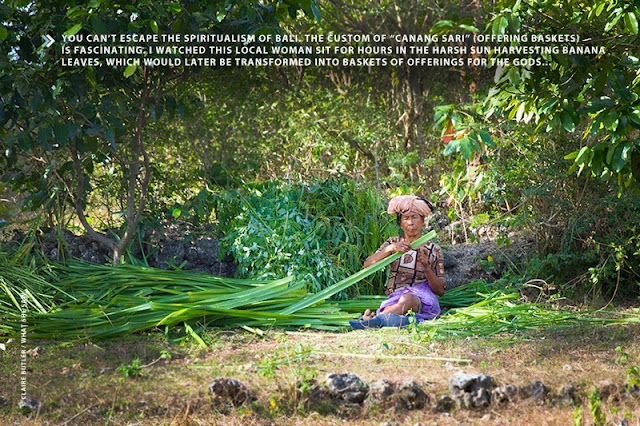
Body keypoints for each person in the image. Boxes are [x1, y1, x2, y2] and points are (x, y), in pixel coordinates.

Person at [350, 195, 446, 329]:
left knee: (408, 299)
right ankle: (395, 320)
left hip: (422, 301)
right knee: (402, 301)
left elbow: (440, 290)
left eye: (415, 217)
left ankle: (374, 321)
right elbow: (367, 265)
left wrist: (427, 268)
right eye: (406, 218)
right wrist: (389, 250)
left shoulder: (433, 250)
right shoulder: (392, 243)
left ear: (422, 221)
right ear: (400, 223)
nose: (411, 223)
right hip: (395, 298)